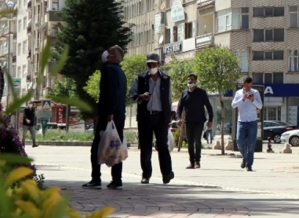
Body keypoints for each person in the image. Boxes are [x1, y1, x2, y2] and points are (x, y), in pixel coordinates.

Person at [83, 45, 127, 190]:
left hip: (109, 115)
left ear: (113, 57)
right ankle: (117, 180)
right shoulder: (121, 72)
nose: (105, 53)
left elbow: (111, 92)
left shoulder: (108, 70)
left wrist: (109, 112)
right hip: (119, 115)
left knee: (97, 147)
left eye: (109, 52)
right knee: (116, 146)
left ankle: (96, 179)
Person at [129, 52, 175, 185]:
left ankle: (167, 173)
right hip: (145, 116)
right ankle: (146, 175)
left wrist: (168, 118)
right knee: (145, 147)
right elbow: (132, 94)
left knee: (163, 146)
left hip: (160, 117)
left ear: (159, 65)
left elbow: (168, 99)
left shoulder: (165, 79)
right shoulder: (141, 78)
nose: (151, 67)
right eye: (149, 65)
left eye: (153, 65)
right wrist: (141, 96)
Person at [176, 73, 213, 169]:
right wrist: (178, 118)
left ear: (195, 81)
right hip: (188, 122)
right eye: (188, 79)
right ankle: (191, 162)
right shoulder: (184, 93)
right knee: (190, 142)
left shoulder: (201, 93)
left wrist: (210, 120)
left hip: (199, 121)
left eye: (192, 79)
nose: (190, 81)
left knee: (197, 140)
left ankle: (197, 161)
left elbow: (209, 107)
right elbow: (179, 108)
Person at [231, 77, 262, 171]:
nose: (248, 88)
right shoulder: (238, 93)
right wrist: (242, 99)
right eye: (246, 86)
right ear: (243, 84)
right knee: (239, 141)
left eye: (250, 86)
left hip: (252, 121)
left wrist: (253, 100)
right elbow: (233, 105)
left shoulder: (255, 92)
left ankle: (249, 165)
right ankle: (245, 157)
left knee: (251, 144)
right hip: (241, 121)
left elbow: (260, 106)